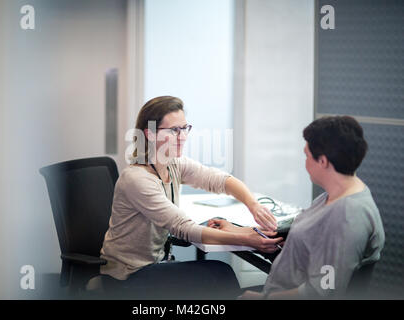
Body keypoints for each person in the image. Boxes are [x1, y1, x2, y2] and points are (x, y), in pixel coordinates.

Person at [92, 96, 282, 299]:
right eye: (174, 130)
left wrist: (252, 204)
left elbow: (218, 180)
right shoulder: (136, 179)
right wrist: (247, 239)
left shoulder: (173, 163)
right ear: (151, 134)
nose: (182, 136)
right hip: (127, 276)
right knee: (219, 274)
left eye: (185, 128)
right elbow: (183, 227)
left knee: (215, 275)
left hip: (154, 265)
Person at [239, 116, 385, 299]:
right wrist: (241, 232)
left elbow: (321, 292)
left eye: (307, 155)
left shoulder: (347, 218)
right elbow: (307, 234)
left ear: (322, 161)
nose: (305, 162)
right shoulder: (336, 195)